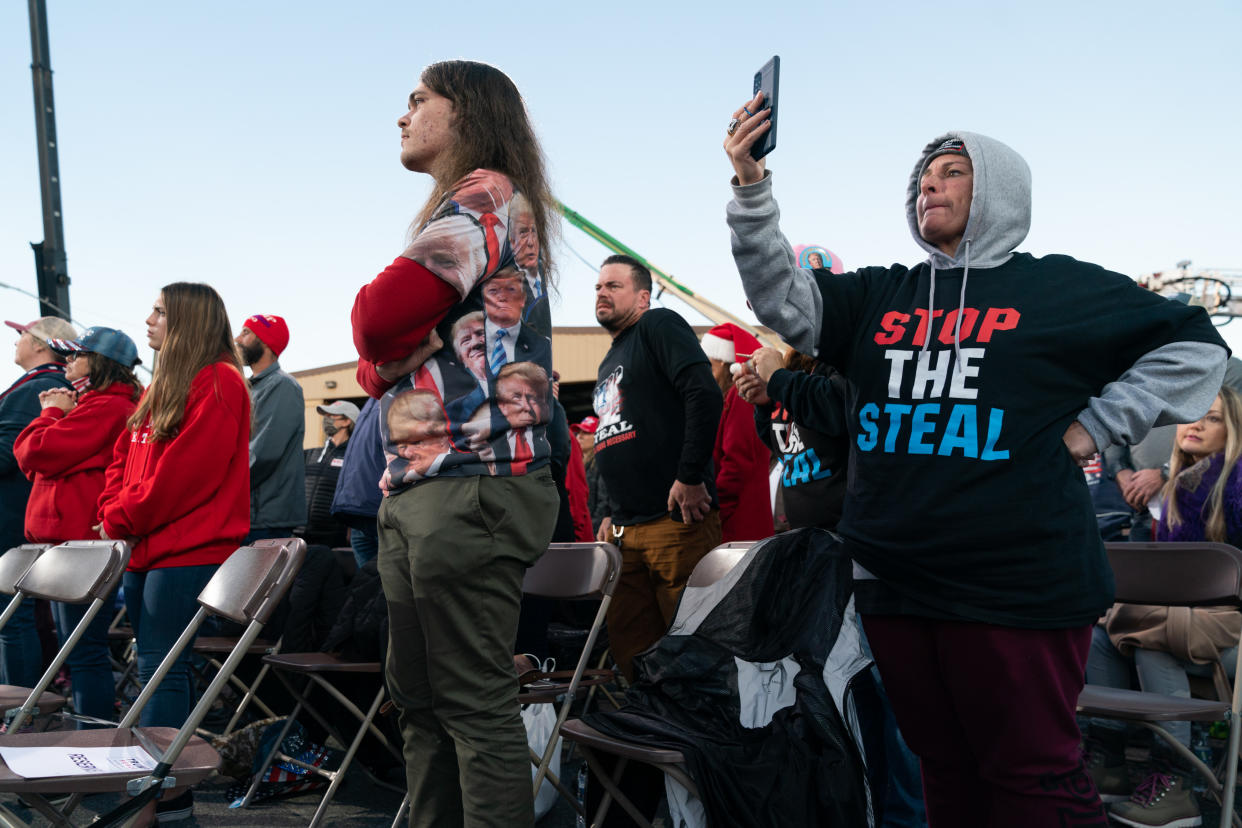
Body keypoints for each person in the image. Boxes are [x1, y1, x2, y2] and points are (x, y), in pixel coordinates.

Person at [724, 101, 1228, 827]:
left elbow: (1197, 344)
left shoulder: (1054, 290)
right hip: (896, 586)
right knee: (945, 775)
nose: (930, 185)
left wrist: (1095, 426)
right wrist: (750, 187)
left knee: (1034, 781)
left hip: (1014, 586)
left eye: (953, 172)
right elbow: (782, 297)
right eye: (923, 177)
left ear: (997, 191)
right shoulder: (880, 293)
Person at [350, 60, 559, 828]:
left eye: (416, 100)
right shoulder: (467, 209)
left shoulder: (486, 197)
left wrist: (383, 347)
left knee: (469, 707)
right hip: (425, 488)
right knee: (422, 705)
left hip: (468, 486)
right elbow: (377, 366)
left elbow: (375, 316)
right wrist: (384, 359)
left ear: (465, 111)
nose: (402, 117)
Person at [96, 283, 250, 822]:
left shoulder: (220, 381)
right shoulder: (164, 383)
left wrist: (119, 515)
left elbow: (185, 476)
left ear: (188, 320)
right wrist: (115, 507)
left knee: (163, 670)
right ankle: (168, 798)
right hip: (147, 546)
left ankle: (157, 798)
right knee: (153, 669)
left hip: (188, 548)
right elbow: (123, 454)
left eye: (160, 311)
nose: (149, 319)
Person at [1087, 388, 1242, 827]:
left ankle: (1177, 782)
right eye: (1189, 416)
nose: (1193, 425)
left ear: (1233, 429)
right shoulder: (1179, 487)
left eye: (1210, 419)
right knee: (1102, 636)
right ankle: (1108, 758)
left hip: (1231, 635)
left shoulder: (1237, 483)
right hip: (1188, 625)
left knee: (1156, 642)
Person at [591, 253, 723, 680]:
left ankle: (702, 745)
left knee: (694, 653)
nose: (601, 293)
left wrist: (689, 475)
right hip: (625, 534)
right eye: (598, 287)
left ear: (643, 297)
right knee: (634, 657)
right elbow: (612, 437)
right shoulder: (608, 361)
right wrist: (609, 509)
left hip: (676, 522)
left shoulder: (657, 325)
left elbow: (703, 394)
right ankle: (647, 740)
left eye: (614, 286)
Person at [14, 327, 142, 726]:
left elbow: (34, 451)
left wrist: (51, 413)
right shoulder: (98, 403)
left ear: (100, 363)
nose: (67, 362)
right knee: (80, 651)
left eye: (77, 355)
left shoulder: (106, 406)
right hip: (71, 544)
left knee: (83, 652)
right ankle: (89, 736)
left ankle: (92, 743)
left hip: (81, 545)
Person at [0, 316, 76, 688]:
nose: (16, 341)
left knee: (12, 618)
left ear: (42, 344)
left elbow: (7, 454)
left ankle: (17, 713)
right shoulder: (43, 384)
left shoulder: (41, 385)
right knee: (16, 617)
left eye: (22, 335)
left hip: (10, 519)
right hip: (20, 516)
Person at [699, 322, 773, 542]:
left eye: (709, 367)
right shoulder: (727, 398)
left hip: (738, 517)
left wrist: (716, 508)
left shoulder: (739, 397)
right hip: (736, 511)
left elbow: (737, 462)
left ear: (723, 364)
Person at [235, 314, 305, 543]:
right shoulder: (250, 387)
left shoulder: (282, 386)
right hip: (249, 513)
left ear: (265, 341)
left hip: (265, 518)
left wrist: (221, 488)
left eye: (246, 333)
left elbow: (263, 453)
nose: (237, 339)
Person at [330, 397, 385, 568]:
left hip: (380, 515)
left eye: (333, 417)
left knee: (386, 585)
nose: (328, 421)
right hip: (360, 517)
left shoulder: (393, 398)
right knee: (367, 583)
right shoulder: (372, 404)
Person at [302, 400, 358, 548]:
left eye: (331, 415)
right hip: (301, 532)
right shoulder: (312, 453)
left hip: (332, 536)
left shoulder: (355, 456)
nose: (326, 419)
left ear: (346, 421)